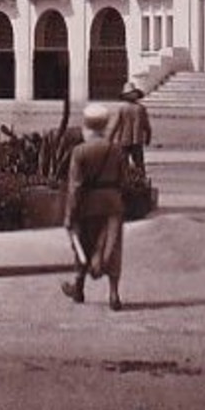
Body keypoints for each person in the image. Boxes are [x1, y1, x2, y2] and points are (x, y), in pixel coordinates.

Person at [61, 103, 129, 312]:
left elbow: (75, 186)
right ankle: (114, 293)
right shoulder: (117, 150)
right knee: (113, 246)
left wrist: (69, 215)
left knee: (83, 243)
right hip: (112, 201)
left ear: (86, 126)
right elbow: (124, 179)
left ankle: (79, 288)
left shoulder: (80, 151)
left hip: (87, 203)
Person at [108, 85, 153, 175]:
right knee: (139, 163)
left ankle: (125, 180)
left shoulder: (121, 108)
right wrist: (148, 138)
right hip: (137, 140)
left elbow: (114, 125)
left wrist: (109, 139)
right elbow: (147, 126)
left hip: (123, 139)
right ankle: (141, 180)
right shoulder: (140, 109)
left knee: (123, 163)